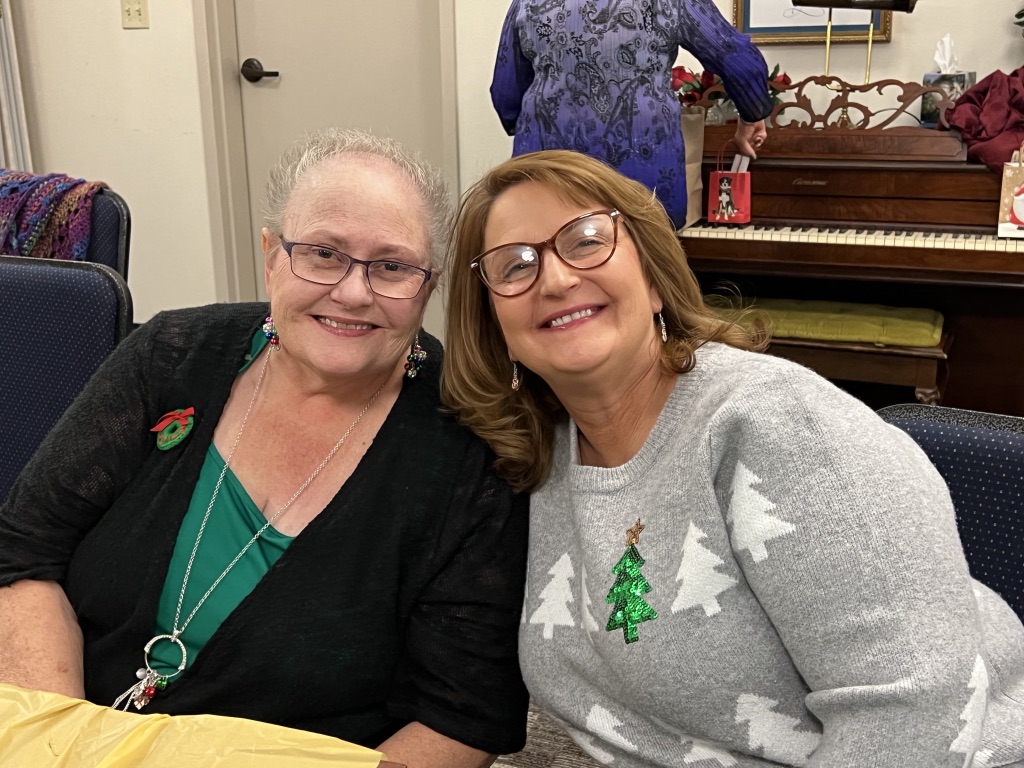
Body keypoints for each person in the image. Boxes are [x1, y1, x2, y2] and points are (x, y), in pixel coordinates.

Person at [441, 149, 1024, 767]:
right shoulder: (534, 453)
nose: (555, 280)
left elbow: (912, 713)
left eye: (586, 241)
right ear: (495, 323)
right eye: (515, 265)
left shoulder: (780, 422)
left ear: (654, 278)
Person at [0, 129, 529, 767]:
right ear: (272, 256)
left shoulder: (471, 446)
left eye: (392, 266)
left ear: (429, 284)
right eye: (323, 254)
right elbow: (24, 549)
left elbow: (463, 716)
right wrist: (56, 743)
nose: (353, 292)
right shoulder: (171, 355)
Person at [490, 0, 772, 230]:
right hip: (641, 188)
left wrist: (533, 124)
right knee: (644, 271)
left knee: (548, 266)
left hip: (547, 178)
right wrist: (751, 116)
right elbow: (739, 61)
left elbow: (505, 94)